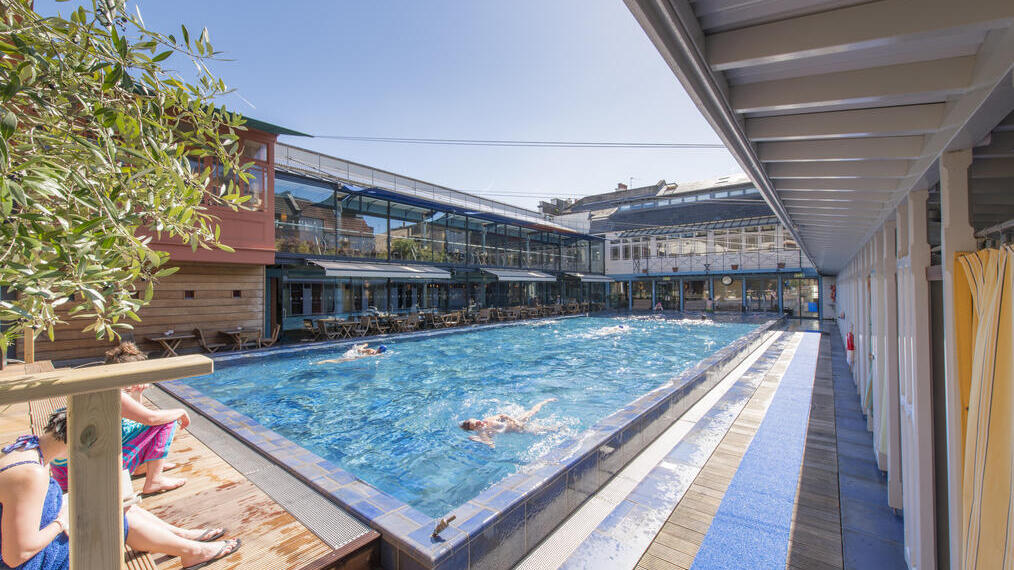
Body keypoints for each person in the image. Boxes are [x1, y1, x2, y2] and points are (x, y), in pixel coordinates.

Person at [0, 409, 240, 570]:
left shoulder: (28, 445)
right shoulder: (30, 474)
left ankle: (183, 537)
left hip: (38, 533)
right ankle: (191, 549)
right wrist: (63, 521)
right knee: (112, 515)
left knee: (115, 503)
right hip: (35, 561)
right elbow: (15, 556)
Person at [50, 343, 188, 496]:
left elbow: (135, 420)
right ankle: (154, 480)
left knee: (140, 425)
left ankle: (143, 466)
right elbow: (150, 418)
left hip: (66, 474)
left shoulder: (102, 386)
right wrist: (181, 411)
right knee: (167, 421)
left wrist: (136, 394)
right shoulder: (114, 395)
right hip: (82, 475)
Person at [460, 398, 557, 448]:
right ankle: (559, 429)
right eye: (476, 425)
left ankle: (546, 401)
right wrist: (479, 440)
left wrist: (515, 421)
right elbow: (491, 445)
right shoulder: (482, 433)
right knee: (542, 430)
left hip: (516, 421)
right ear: (475, 429)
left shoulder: (487, 420)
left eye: (477, 421)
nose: (479, 423)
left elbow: (503, 415)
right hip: (517, 429)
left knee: (532, 412)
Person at [314, 344, 388, 365]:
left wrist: (363, 346)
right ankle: (324, 361)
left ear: (379, 348)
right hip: (355, 358)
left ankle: (324, 361)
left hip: (355, 357)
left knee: (339, 360)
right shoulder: (379, 356)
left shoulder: (372, 351)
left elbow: (360, 351)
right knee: (339, 361)